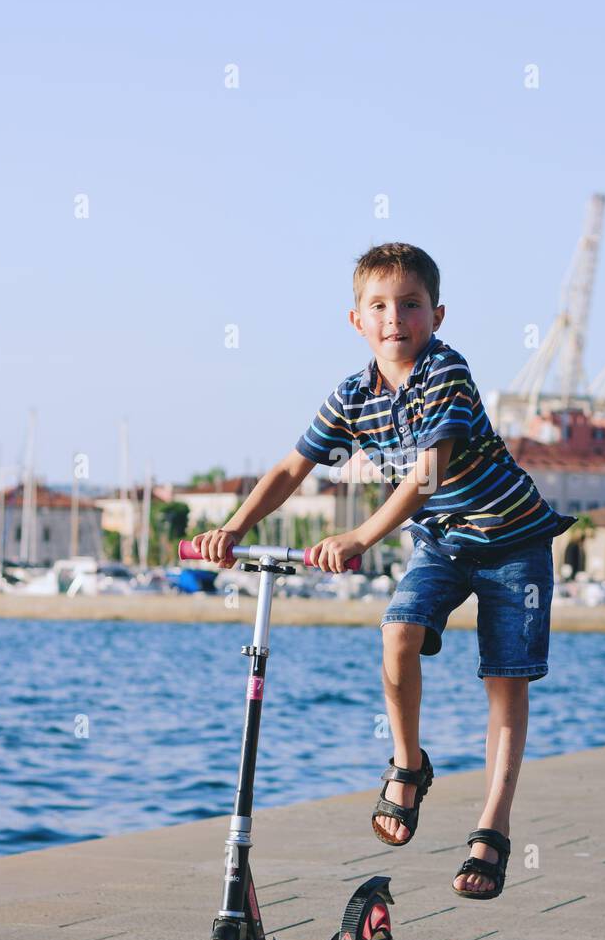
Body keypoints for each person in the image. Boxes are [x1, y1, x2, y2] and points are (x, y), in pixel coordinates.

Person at [193, 242, 576, 900]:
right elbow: (291, 468)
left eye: (410, 305)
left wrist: (359, 536)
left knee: (504, 681)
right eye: (379, 306)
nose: (395, 317)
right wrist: (235, 527)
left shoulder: (444, 372)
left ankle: (492, 825)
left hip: (514, 543)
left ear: (437, 314)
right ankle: (407, 764)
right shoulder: (352, 397)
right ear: (356, 320)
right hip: (442, 545)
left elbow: (426, 474)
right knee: (396, 632)